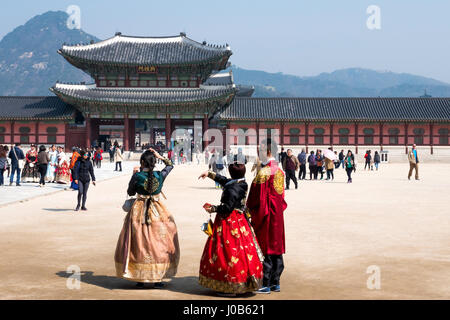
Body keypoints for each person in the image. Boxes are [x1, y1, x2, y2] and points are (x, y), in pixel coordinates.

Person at [114, 149, 179, 288]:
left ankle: (140, 276)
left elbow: (130, 192)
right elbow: (170, 165)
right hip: (157, 210)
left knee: (139, 243)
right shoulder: (159, 175)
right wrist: (159, 155)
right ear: (154, 162)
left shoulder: (138, 176)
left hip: (139, 211)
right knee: (159, 243)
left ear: (142, 162)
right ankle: (158, 277)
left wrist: (134, 175)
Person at [197, 163, 264, 296]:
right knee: (243, 249)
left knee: (227, 252)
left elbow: (227, 208)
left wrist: (214, 208)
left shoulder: (232, 188)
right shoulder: (241, 182)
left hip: (229, 221)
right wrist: (210, 174)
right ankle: (245, 281)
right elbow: (225, 180)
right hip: (240, 219)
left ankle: (230, 285)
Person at [247, 139, 287, 294]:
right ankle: (276, 282)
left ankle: (266, 282)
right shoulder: (279, 170)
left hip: (266, 215)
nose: (259, 153)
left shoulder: (264, 172)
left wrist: (249, 209)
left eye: (261, 150)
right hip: (277, 214)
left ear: (267, 151)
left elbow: (254, 197)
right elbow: (281, 195)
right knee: (276, 246)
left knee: (266, 247)